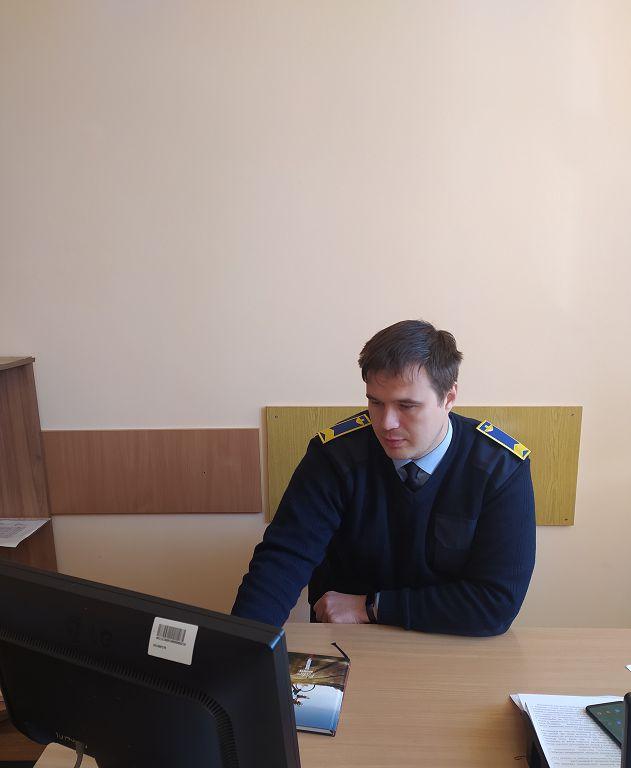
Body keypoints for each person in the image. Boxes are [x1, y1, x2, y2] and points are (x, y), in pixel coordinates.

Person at [232, 320, 536, 635]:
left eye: (407, 406)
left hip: (452, 644)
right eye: (375, 402)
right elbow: (282, 560)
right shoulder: (336, 456)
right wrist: (244, 648)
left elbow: (495, 603)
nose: (386, 423)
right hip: (347, 642)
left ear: (448, 398)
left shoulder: (500, 468)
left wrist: (372, 607)